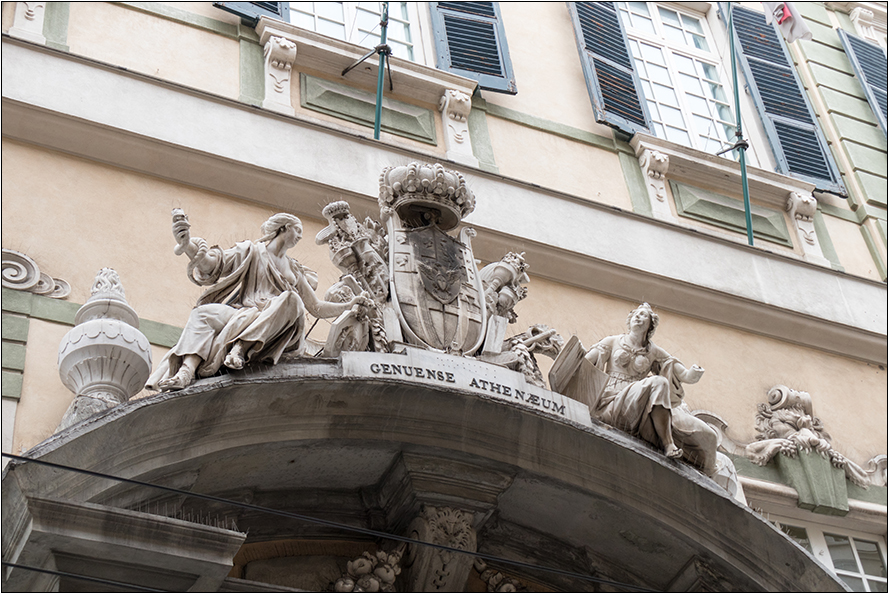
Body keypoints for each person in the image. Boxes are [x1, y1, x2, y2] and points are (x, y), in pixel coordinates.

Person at [147, 210, 368, 391]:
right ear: (284, 228)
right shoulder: (251, 251)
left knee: (291, 298)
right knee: (201, 314)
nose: (300, 236)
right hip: (246, 312)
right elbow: (213, 265)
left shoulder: (294, 270)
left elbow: (316, 307)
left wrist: (348, 306)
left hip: (277, 324)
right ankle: (185, 371)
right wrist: (187, 246)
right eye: (298, 230)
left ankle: (241, 349)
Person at [585, 303, 718, 474]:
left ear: (650, 325)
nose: (638, 317)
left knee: (660, 384)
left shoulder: (653, 352)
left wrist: (694, 372)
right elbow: (585, 362)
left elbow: (684, 375)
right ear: (630, 320)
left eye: (643, 315)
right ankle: (668, 443)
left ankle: (670, 444)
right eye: (636, 314)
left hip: (637, 405)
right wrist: (561, 354)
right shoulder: (612, 341)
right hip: (611, 403)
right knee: (658, 382)